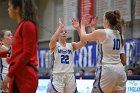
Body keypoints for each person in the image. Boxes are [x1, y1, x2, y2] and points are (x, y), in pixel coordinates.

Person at [80, 10, 127, 93]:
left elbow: (84, 37)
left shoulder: (103, 32)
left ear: (107, 21)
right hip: (120, 71)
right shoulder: (120, 34)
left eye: (103, 19)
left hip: (107, 70)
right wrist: (93, 28)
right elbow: (102, 41)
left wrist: (82, 25)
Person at [1, 0, 39, 93]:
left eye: (9, 6)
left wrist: (9, 75)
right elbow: (13, 52)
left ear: (17, 9)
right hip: (17, 74)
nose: (8, 9)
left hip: (26, 75)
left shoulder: (28, 25)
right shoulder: (21, 26)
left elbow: (27, 53)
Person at [49, 18, 87, 93]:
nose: (64, 33)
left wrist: (78, 28)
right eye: (61, 32)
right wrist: (60, 27)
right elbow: (52, 40)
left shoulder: (71, 45)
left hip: (69, 76)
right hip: (57, 76)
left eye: (65, 32)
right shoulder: (55, 45)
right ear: (58, 34)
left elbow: (84, 42)